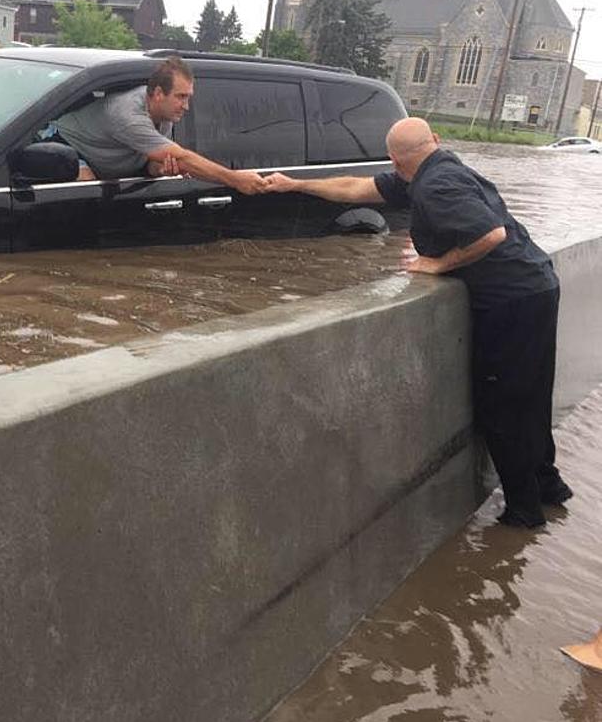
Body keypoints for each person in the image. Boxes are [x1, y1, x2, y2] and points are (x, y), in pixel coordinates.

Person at [265, 117, 572, 528]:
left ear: (395, 159)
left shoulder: (435, 186)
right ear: (435, 141)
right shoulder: (435, 168)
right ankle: (550, 489)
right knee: (532, 397)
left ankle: (524, 512)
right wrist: (295, 184)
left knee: (504, 406)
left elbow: (491, 234)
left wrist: (437, 263)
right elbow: (356, 188)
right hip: (535, 286)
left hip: (511, 302)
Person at [51, 56, 268, 196]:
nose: (186, 107)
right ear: (157, 94)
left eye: (188, 97)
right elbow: (182, 157)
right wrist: (235, 179)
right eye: (181, 97)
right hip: (67, 148)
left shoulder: (165, 115)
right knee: (84, 192)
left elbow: (151, 161)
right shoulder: (127, 114)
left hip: (110, 167)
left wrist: (159, 169)